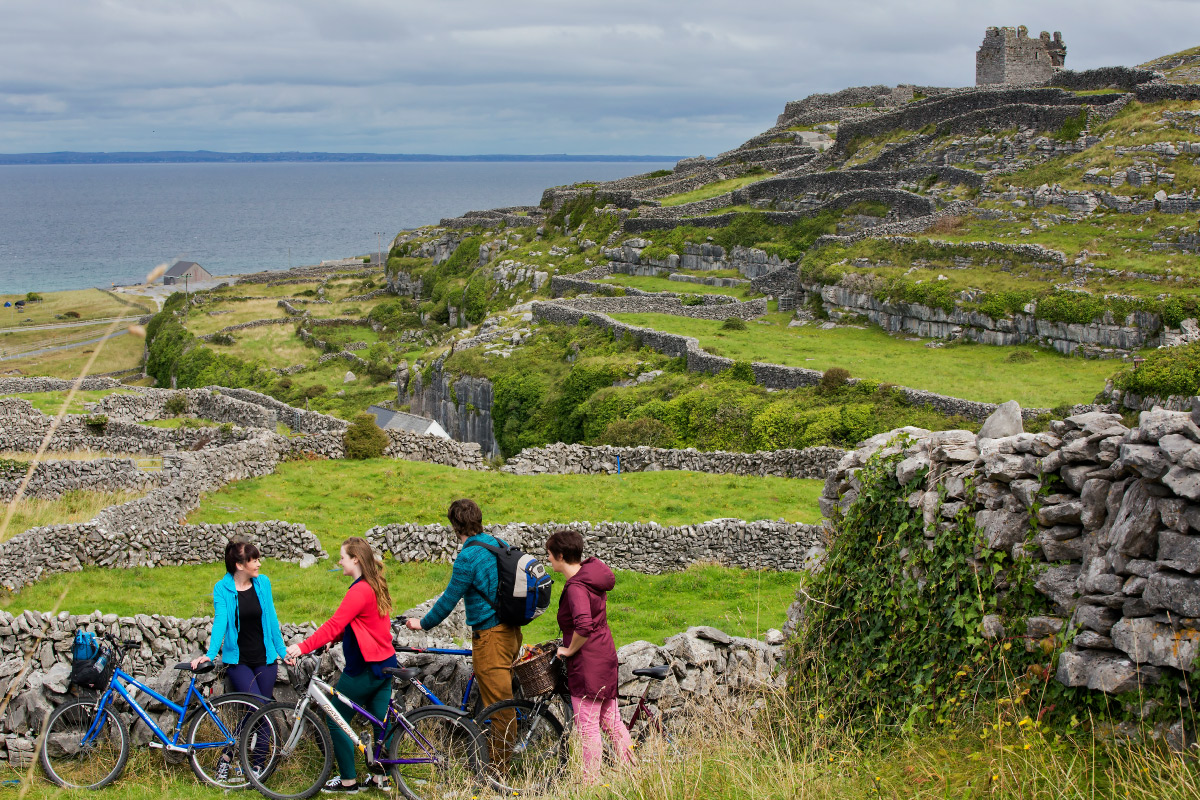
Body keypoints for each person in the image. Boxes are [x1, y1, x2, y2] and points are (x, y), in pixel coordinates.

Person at [405, 499, 521, 760]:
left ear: (455, 526)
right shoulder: (496, 543)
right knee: (503, 699)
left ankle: (497, 772)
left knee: (500, 708)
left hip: (491, 637)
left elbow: (448, 600)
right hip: (512, 632)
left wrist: (421, 623)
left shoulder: (467, 557)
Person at [286, 537, 397, 794]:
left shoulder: (359, 590)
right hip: (385, 665)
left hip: (363, 668)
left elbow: (335, 624)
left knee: (336, 719)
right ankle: (383, 779)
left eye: (343, 557)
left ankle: (348, 781)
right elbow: (359, 624)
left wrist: (302, 647)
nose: (339, 561)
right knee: (381, 722)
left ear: (355, 559)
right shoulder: (374, 584)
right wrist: (336, 639)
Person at [192, 540, 288, 782]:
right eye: (253, 559)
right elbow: (220, 622)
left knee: (263, 713)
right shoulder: (222, 589)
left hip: (266, 660)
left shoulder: (263, 583)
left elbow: (272, 619)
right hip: (239, 661)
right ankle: (228, 756)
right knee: (258, 708)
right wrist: (211, 654)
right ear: (239, 564)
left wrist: (283, 652)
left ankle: (255, 768)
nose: (258, 563)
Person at [545, 529, 634, 782]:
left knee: (587, 727)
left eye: (550, 555)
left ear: (561, 555)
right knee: (611, 721)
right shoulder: (591, 576)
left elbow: (583, 626)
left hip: (587, 663)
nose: (548, 559)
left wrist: (569, 649)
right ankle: (635, 775)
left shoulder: (575, 587)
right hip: (604, 655)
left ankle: (590, 785)